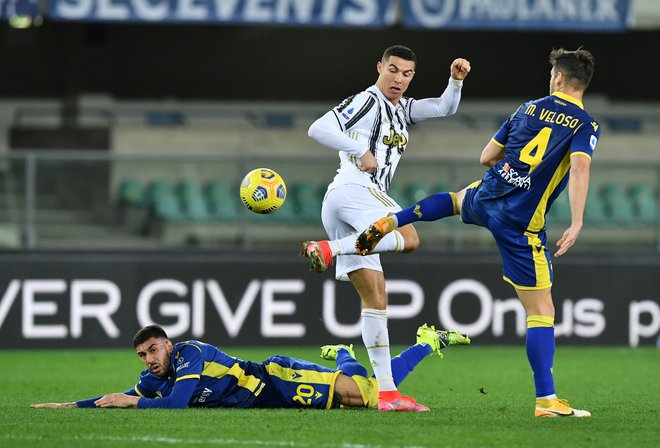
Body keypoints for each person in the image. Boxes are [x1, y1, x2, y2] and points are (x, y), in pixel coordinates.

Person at [355, 48, 599, 418]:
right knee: (541, 311)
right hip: (521, 223)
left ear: (559, 79)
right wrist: (578, 220)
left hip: (491, 193)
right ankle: (546, 401)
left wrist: (510, 174)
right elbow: (579, 169)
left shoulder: (528, 108)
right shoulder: (585, 124)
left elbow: (487, 156)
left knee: (456, 199)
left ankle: (394, 219)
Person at [300, 45, 471, 412]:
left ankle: (389, 395)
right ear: (379, 67)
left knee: (375, 297)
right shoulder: (367, 100)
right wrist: (357, 150)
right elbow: (319, 128)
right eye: (392, 70)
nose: (398, 79)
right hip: (355, 189)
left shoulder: (402, 109)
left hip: (346, 202)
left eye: (407, 74)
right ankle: (330, 250)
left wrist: (454, 82)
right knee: (409, 236)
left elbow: (442, 107)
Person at [31, 323, 470, 410]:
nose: (149, 360)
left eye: (153, 350)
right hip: (274, 401)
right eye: (143, 356)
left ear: (168, 344)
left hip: (273, 378)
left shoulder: (192, 355)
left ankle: (425, 343)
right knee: (361, 398)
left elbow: (180, 402)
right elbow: (119, 395)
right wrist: (72, 405)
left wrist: (131, 404)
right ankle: (341, 353)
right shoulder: (152, 379)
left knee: (372, 394)